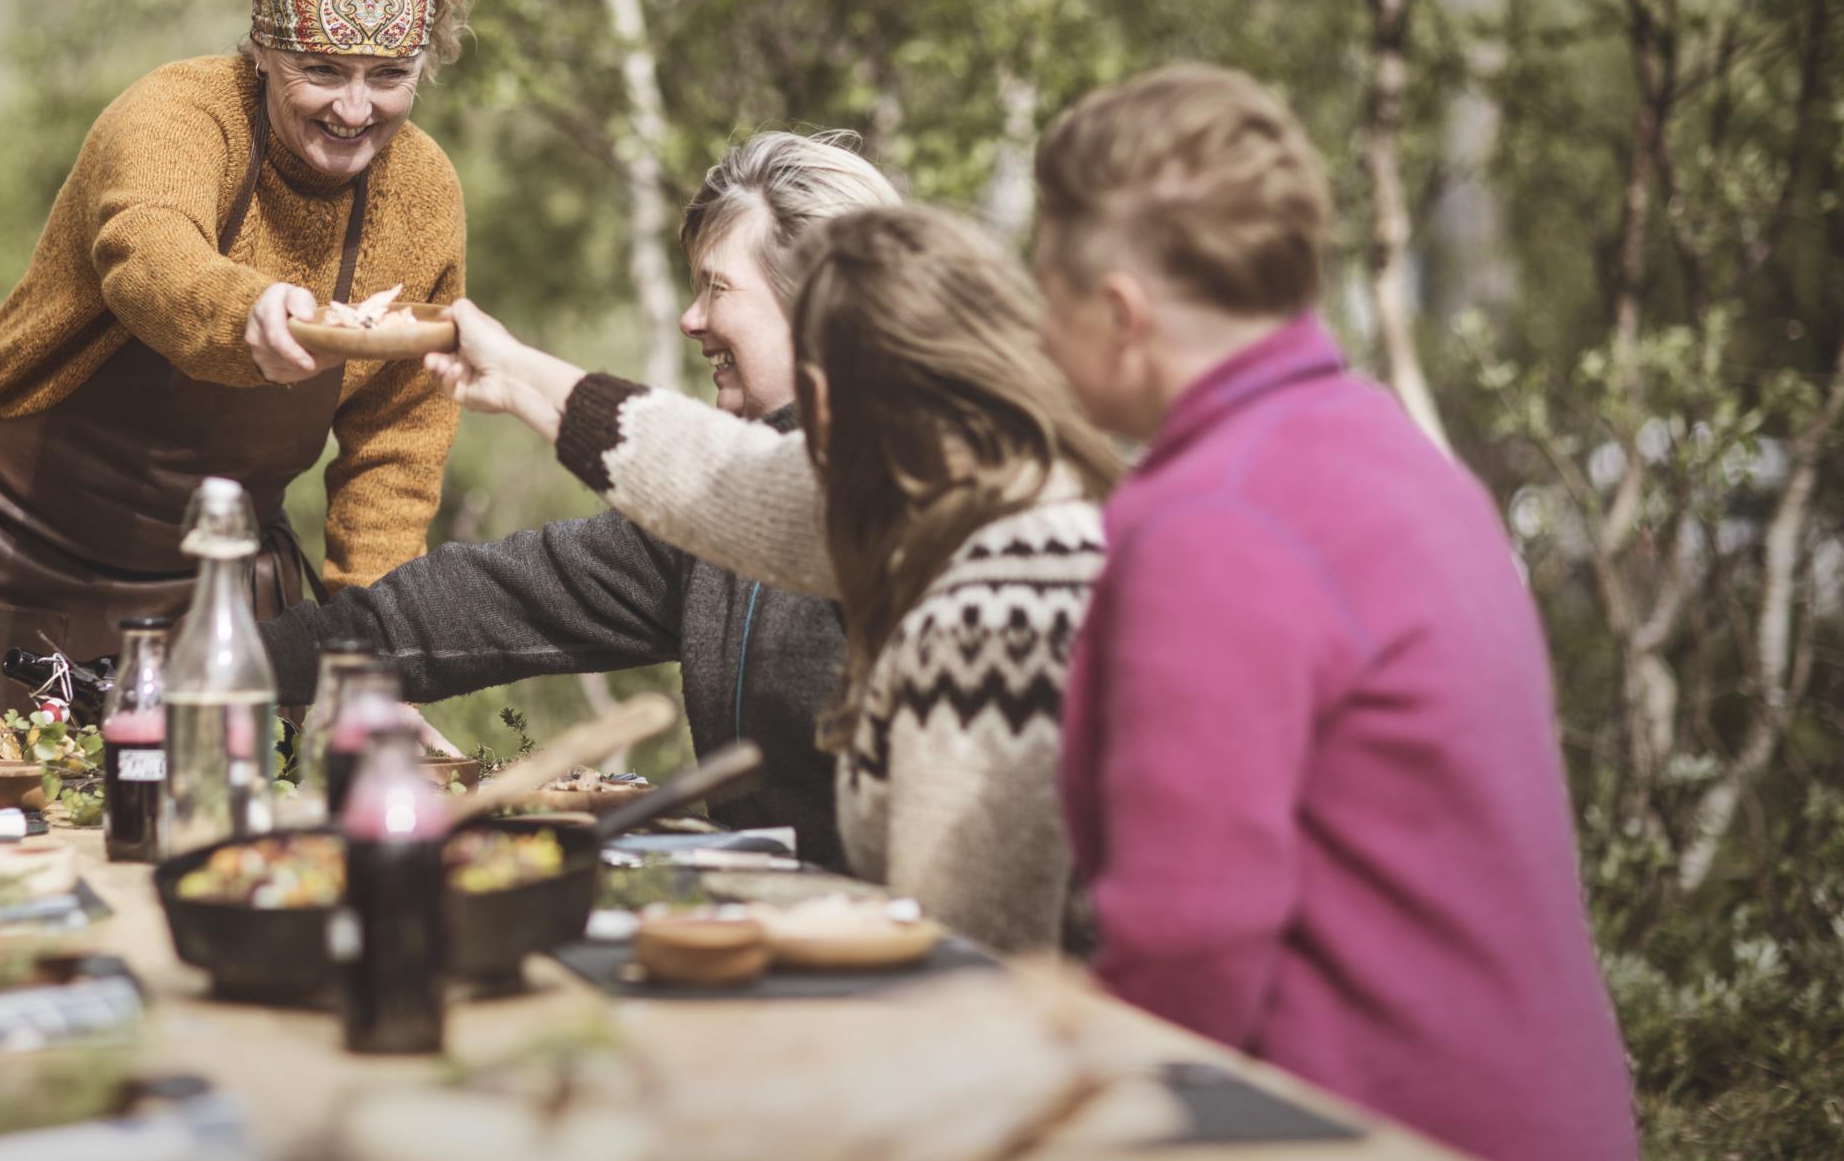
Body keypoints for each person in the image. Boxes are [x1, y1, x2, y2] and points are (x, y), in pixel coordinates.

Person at [1025, 63, 1636, 1161]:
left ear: (1120, 314)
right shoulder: (1390, 448)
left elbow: (1184, 943)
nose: (1032, 329)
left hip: (1372, 1130)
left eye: (1045, 295)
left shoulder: (1211, 516)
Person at [0, 0, 473, 754]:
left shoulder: (422, 194)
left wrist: (364, 658)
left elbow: (398, 445)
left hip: (208, 595)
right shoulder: (178, 115)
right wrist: (248, 311)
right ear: (263, 47)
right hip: (7, 558)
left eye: (388, 76)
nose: (354, 109)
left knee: (209, 843)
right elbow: (145, 249)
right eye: (322, 70)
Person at [406, 206, 1118, 951]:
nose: (796, 443)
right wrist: (516, 374)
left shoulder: (999, 596)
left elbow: (977, 946)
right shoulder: (947, 494)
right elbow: (708, 470)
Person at [259, 131, 898, 868]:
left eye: (716, 287)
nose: (692, 319)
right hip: (771, 934)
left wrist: (520, 373)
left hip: (917, 952)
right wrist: (242, 665)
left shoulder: (899, 481)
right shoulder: (708, 521)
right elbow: (490, 600)